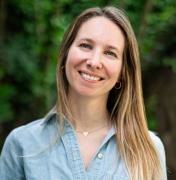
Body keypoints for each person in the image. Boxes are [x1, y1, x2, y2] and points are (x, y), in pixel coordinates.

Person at [0, 6, 167, 180]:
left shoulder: (149, 149)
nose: (94, 62)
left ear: (122, 73)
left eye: (110, 53)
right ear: (65, 55)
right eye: (85, 46)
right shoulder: (22, 144)